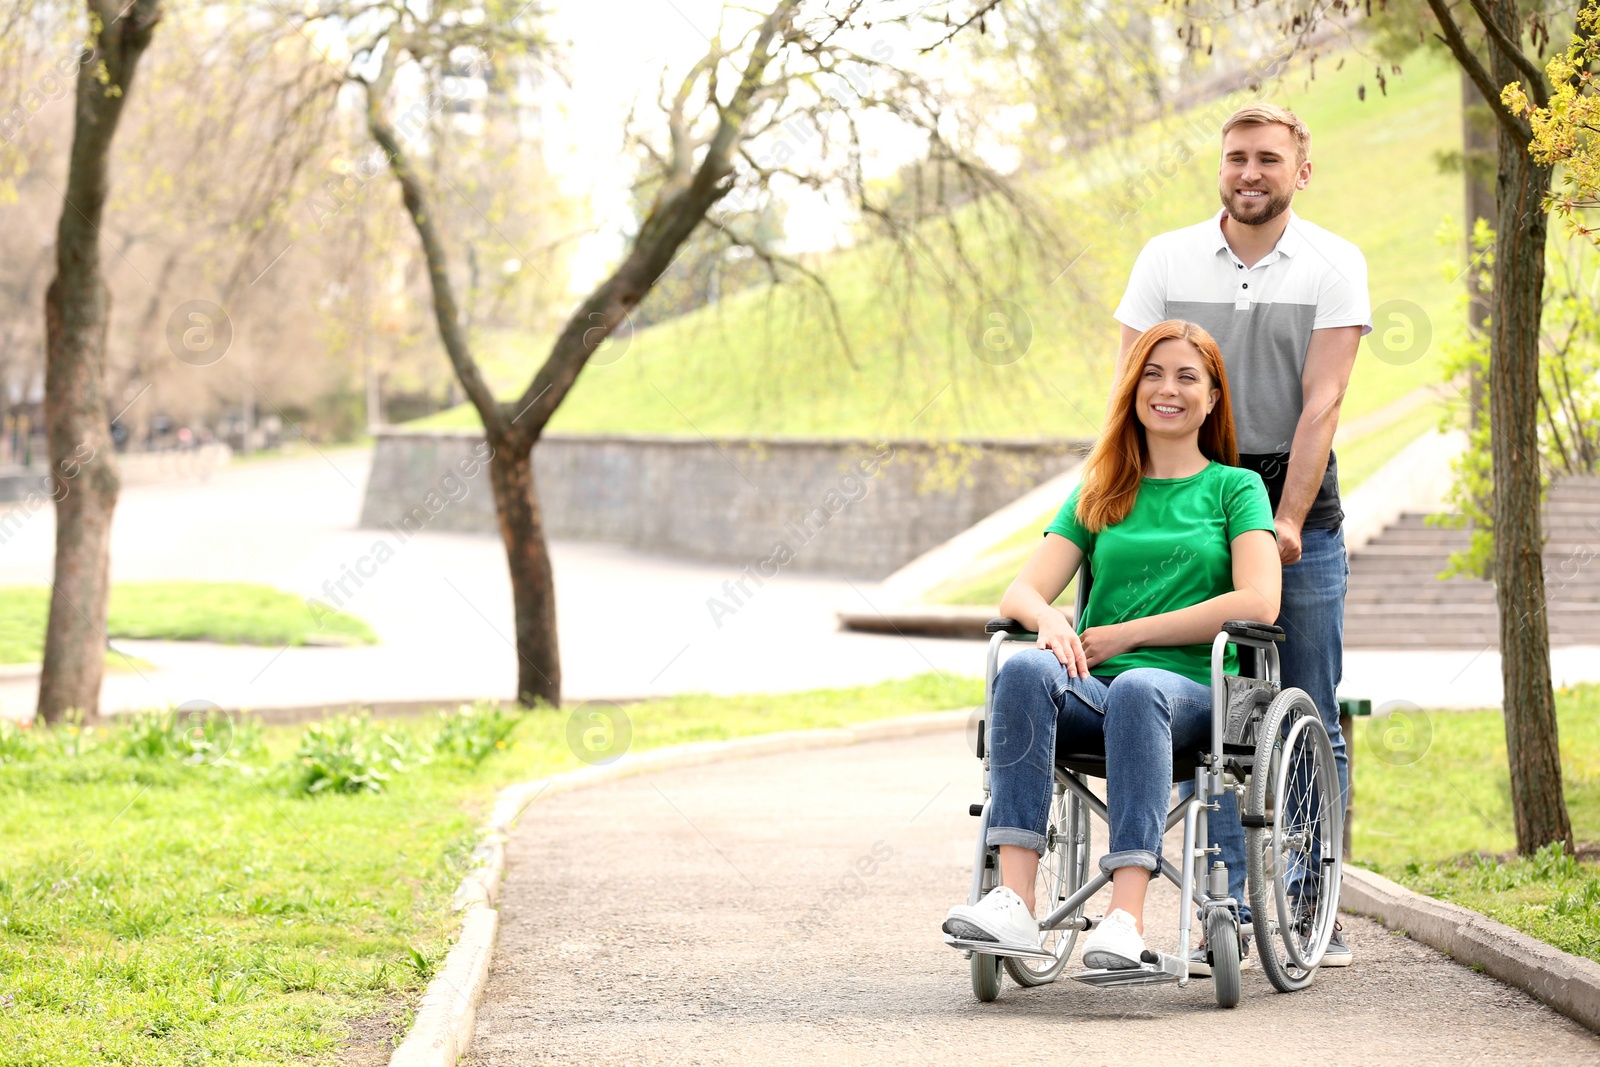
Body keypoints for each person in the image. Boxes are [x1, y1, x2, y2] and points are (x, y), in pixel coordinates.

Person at [1112, 103, 1370, 970]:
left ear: (1302, 170)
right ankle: (1225, 898)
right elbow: (1134, 390)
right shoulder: (1165, 258)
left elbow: (1322, 403)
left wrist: (1288, 517)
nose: (1249, 172)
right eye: (1235, 159)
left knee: (1307, 704)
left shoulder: (1336, 264)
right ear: (1219, 169)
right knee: (1222, 710)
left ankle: (1308, 903)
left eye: (1267, 158)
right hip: (1188, 491)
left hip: (1291, 489)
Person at [942, 320, 1280, 969]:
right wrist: (1049, 622)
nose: (1167, 389)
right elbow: (1021, 592)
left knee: (1138, 684)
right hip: (1100, 691)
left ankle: (1125, 918)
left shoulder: (1234, 489)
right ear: (1132, 389)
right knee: (1022, 670)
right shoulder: (1102, 489)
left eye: (1187, 376)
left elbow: (1258, 602)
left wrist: (1129, 634)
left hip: (1195, 694)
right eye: (1152, 374)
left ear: (1212, 398)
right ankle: (1013, 903)